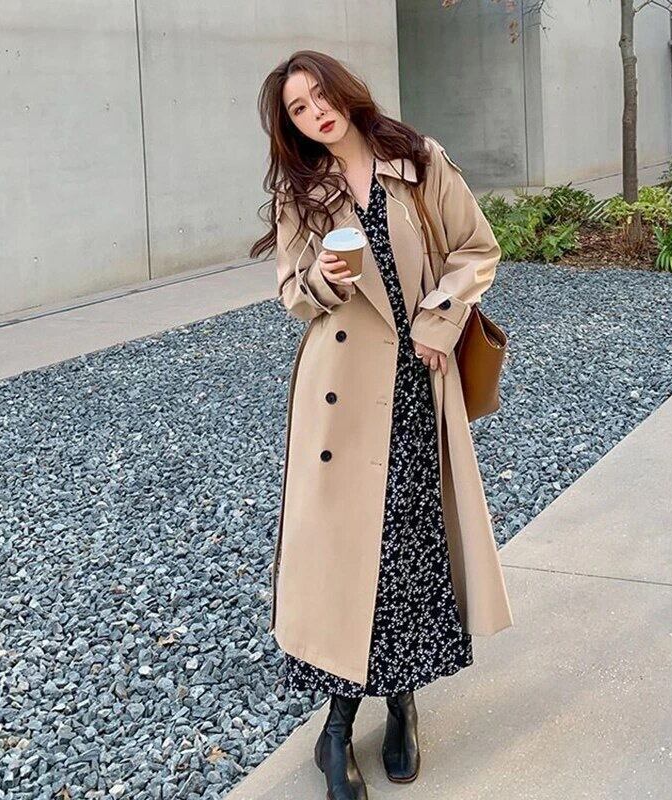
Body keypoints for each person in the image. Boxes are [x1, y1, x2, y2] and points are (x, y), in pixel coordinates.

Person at [250, 49, 513, 800]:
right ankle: (336, 729)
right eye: (298, 109)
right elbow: (292, 295)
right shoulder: (302, 189)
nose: (316, 114)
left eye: (320, 96)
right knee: (343, 557)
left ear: (345, 91)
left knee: (406, 547)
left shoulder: (417, 159)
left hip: (415, 382)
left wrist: (439, 319)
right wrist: (321, 280)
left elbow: (476, 249)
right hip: (340, 391)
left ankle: (402, 704)